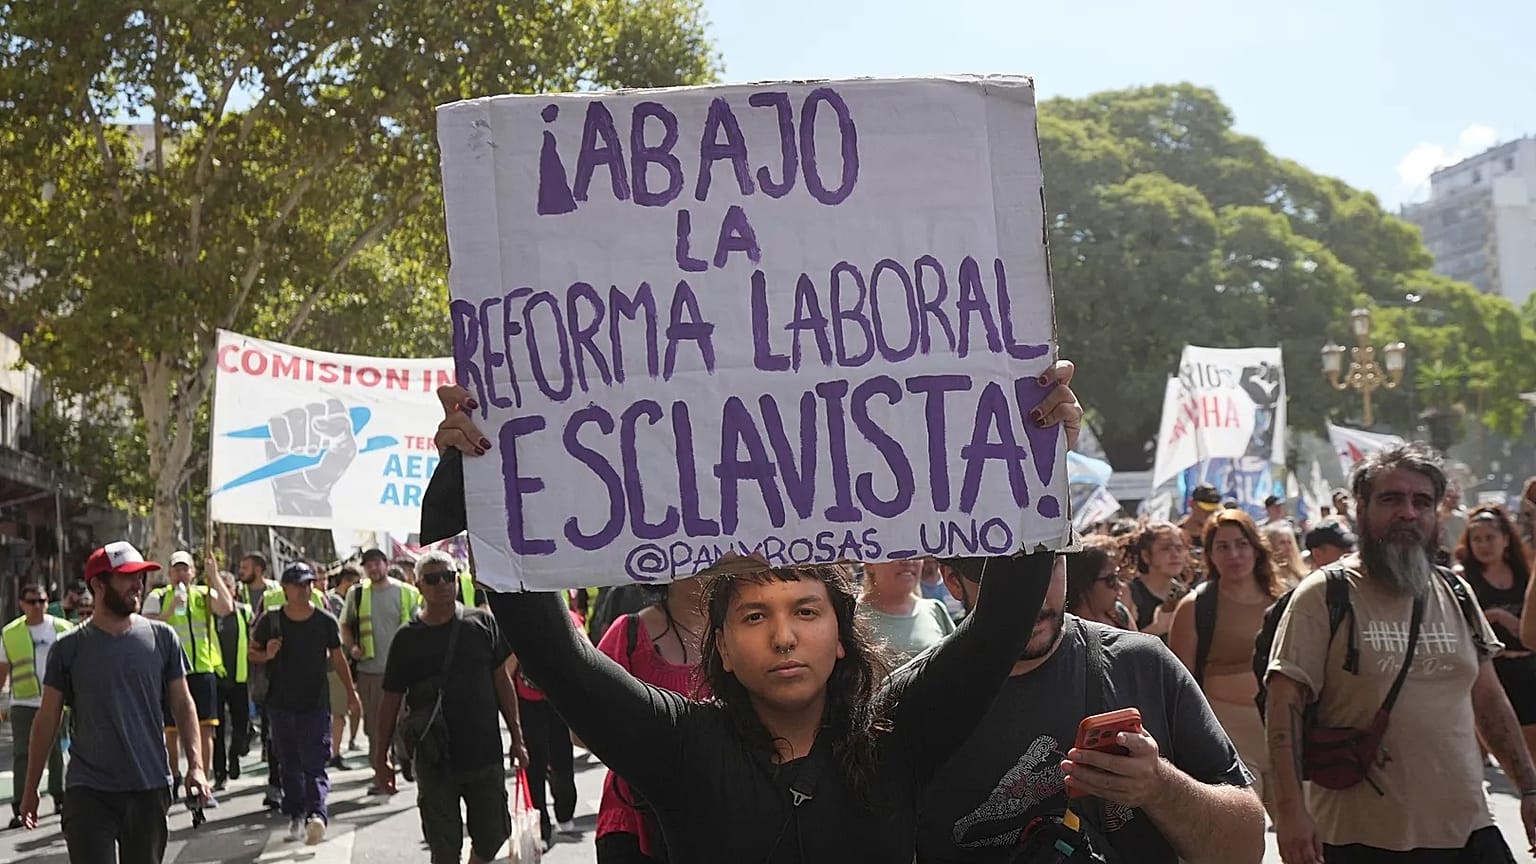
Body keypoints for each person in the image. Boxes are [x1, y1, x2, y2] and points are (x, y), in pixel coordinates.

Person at [426, 365, 1081, 862]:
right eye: (754, 617)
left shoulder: (898, 738)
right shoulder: (676, 746)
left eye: (805, 611)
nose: (784, 636)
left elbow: (998, 629)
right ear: (723, 650)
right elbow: (556, 657)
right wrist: (480, 480)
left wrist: (1037, 455)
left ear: (842, 638)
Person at [916, 539, 1265, 862]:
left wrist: (1158, 786)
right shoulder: (912, 698)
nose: (1033, 597)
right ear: (952, 580)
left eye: (1045, 566)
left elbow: (1245, 848)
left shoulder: (1142, 665)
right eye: (1000, 576)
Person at [1267, 443, 1536, 862]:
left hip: (1467, 830)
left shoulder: (1456, 592)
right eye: (1391, 499)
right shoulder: (1325, 594)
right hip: (1359, 837)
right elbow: (1283, 709)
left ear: (1436, 514)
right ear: (1361, 507)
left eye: (1421, 501)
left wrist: (1529, 787)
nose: (1408, 512)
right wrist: (1290, 814)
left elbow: (1488, 700)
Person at [19, 541, 209, 863]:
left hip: (148, 785)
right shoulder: (68, 649)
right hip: (88, 790)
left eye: (141, 577)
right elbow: (47, 718)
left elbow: (183, 703)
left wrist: (197, 766)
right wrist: (31, 788)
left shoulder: (163, 638)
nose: (138, 585)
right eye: (127, 577)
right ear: (98, 584)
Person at [374, 551, 528, 864]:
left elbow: (502, 682)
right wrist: (381, 757)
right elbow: (390, 699)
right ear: (419, 585)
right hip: (435, 759)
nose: (442, 583)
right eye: (432, 579)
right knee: (444, 848)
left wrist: (517, 736)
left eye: (449, 576)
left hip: (483, 753)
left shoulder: (482, 623)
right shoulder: (407, 638)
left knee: (493, 835)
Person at [1169, 508, 1285, 815]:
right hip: (1227, 731)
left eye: (1241, 544)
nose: (1234, 554)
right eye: (1223, 546)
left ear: (1256, 548)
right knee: (1245, 828)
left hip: (1281, 726)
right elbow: (1181, 684)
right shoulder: (1195, 606)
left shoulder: (1284, 600)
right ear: (1210, 554)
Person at [592, 576, 710, 863]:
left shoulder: (747, 631)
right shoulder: (628, 633)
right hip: (634, 823)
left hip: (720, 819)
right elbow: (581, 732)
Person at [250, 562, 361, 845]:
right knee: (289, 764)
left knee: (314, 762)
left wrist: (351, 693)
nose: (304, 589)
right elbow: (252, 653)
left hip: (315, 703)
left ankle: (317, 815)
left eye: (309, 584)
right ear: (285, 588)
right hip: (281, 705)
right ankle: (296, 813)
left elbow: (338, 658)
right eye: (298, 584)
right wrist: (267, 654)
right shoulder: (271, 620)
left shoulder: (325, 620)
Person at [143, 550, 234, 793]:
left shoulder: (203, 595)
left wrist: (213, 576)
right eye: (176, 569)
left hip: (202, 667)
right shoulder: (159, 596)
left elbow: (226, 607)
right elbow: (146, 627)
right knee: (171, 729)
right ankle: (173, 775)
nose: (181, 574)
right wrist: (170, 610)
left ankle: (202, 775)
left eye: (186, 569)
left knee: (205, 727)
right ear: (169, 572)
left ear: (193, 572)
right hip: (170, 671)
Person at [1457, 506, 1536, 761]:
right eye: (1476, 539)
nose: (1483, 545)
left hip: (1528, 667)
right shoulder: (1463, 578)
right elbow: (1457, 624)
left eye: (1490, 538)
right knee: (1487, 750)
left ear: (1505, 539)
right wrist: (1495, 617)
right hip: (1489, 671)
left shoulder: (1525, 573)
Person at [341, 547, 421, 786]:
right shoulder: (357, 595)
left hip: (403, 673)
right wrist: (352, 646)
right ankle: (382, 775)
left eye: (377, 563)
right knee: (375, 727)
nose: (374, 569)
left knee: (403, 723)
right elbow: (344, 626)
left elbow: (419, 625)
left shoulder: (407, 593)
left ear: (386, 564)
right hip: (370, 672)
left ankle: (406, 759)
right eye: (369, 565)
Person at [1, 583, 73, 828]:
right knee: (23, 753)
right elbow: (2, 671)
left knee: (55, 753)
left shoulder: (63, 628)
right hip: (23, 702)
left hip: (56, 701)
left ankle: (60, 797)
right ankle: (21, 804)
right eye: (32, 602)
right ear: (22, 604)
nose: (38, 606)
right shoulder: (10, 633)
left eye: (42, 601)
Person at [858, 559, 957, 661]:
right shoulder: (850, 614)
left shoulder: (935, 610)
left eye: (915, 554)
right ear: (869, 563)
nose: (907, 561)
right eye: (895, 552)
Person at [211, 575, 254, 791]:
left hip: (240, 678)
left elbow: (254, 640)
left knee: (242, 726)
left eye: (227, 587)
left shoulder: (244, 611)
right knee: (217, 730)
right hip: (216, 678)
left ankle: (235, 753)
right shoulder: (209, 613)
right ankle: (220, 773)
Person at [1125, 521, 1189, 638]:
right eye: (1165, 548)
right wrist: (1157, 628)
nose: (1175, 555)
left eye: (1179, 548)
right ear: (1146, 556)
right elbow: (1119, 647)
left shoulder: (1185, 595)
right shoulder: (1129, 594)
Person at [1064, 536, 1135, 630]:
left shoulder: (1120, 614)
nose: (1119, 586)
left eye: (1118, 576)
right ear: (1083, 585)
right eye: (1111, 579)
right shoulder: (1065, 630)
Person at [1263, 522, 1310, 588]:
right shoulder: (1266, 573)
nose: (1288, 547)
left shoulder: (1302, 569)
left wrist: (1294, 571)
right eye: (1282, 543)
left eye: (1289, 542)